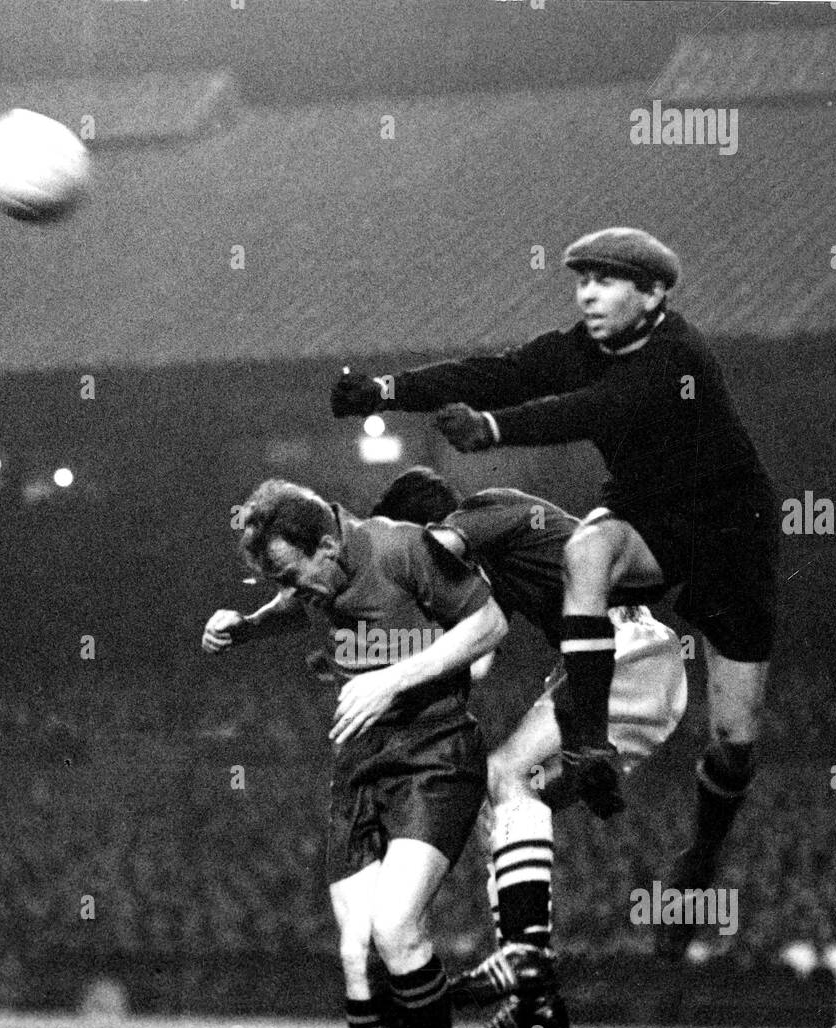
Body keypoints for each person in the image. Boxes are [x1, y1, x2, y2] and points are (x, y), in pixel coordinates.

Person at [332, 228, 779, 947]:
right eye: (582, 282)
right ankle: (589, 745)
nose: (588, 295)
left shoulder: (676, 357)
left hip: (731, 534)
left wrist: (491, 429)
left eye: (605, 282)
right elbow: (499, 370)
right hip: (649, 516)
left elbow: (593, 411)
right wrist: (388, 389)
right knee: (587, 551)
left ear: (655, 294)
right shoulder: (581, 344)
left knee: (733, 741)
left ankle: (699, 859)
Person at [202, 479, 508, 1028]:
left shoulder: (405, 549)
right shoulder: (314, 579)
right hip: (358, 765)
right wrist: (244, 625)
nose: (290, 587)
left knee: (397, 926)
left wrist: (392, 678)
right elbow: (295, 605)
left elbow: (490, 622)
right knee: (355, 955)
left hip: (435, 751)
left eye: (290, 570)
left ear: (329, 544)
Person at [371, 468, 687, 1028]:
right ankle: (535, 997)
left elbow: (433, 550)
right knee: (515, 802)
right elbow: (477, 658)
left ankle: (525, 956)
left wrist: (377, 579)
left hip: (621, 654)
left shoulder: (487, 509)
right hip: (647, 676)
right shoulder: (500, 573)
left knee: (501, 776)